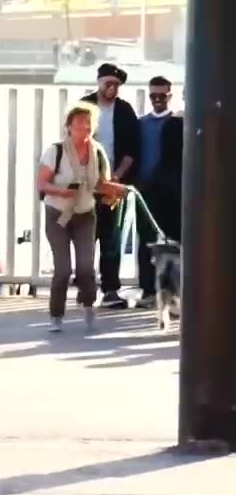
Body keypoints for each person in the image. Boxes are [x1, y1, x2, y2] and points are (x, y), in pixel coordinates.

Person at [36, 102, 126, 333]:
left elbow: (99, 183)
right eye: (79, 123)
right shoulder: (55, 150)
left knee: (86, 267)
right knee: (63, 269)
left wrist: (116, 190)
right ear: (69, 126)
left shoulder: (97, 151)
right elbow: (41, 183)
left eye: (88, 123)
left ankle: (89, 309)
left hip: (86, 213)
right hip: (58, 213)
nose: (84, 127)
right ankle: (56, 316)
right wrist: (61, 191)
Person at [84, 62, 140, 308]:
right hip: (87, 182)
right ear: (98, 82)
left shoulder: (125, 110)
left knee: (111, 239)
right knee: (85, 237)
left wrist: (116, 177)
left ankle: (110, 289)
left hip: (113, 183)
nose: (112, 88)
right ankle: (85, 288)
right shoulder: (84, 105)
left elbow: (131, 150)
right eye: (108, 83)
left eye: (116, 84)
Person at [134, 76, 184, 309]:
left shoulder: (177, 123)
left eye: (161, 96)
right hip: (145, 190)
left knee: (173, 243)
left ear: (170, 96)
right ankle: (147, 291)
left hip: (171, 193)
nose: (157, 100)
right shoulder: (141, 124)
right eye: (153, 95)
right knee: (145, 242)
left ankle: (172, 293)